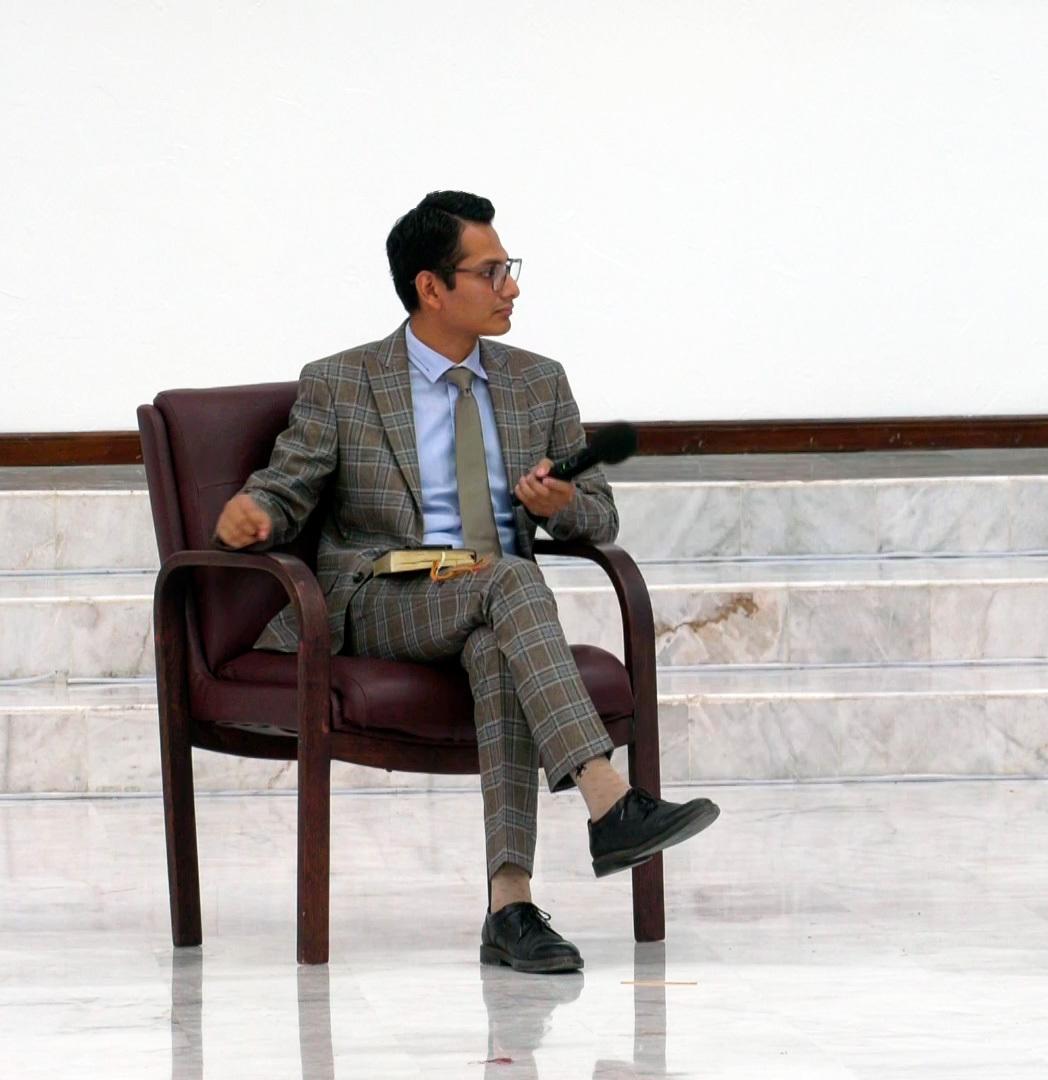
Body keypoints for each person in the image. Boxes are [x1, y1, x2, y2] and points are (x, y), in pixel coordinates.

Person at [214, 191, 719, 973]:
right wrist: (250, 513)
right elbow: (288, 486)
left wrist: (563, 505)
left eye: (508, 269)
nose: (512, 286)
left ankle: (510, 907)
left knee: (498, 636)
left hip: (490, 600)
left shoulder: (537, 382)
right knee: (512, 584)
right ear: (431, 287)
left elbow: (600, 518)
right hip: (384, 598)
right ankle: (609, 799)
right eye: (493, 271)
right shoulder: (343, 383)